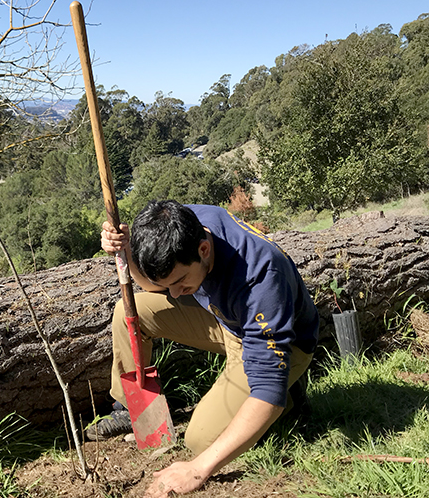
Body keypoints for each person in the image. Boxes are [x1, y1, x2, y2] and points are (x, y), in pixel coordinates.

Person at [97, 200, 319, 497]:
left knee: (200, 440)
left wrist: (197, 469)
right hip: (224, 318)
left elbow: (267, 391)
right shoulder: (183, 224)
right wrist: (125, 252)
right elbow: (155, 288)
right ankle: (128, 408)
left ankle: (287, 392)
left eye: (180, 282)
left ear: (203, 250)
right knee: (128, 314)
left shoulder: (260, 277)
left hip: (280, 340)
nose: (173, 294)